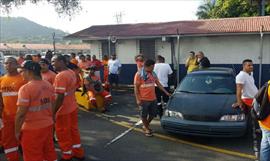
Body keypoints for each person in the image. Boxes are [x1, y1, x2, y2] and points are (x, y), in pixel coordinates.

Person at [15, 60, 57, 161]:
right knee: (49, 152)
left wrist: (16, 131)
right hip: (48, 125)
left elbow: (21, 114)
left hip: (32, 129)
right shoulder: (48, 85)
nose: (21, 74)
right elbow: (53, 105)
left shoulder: (25, 89)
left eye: (22, 71)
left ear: (29, 72)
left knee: (32, 156)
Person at [51, 55, 84, 161]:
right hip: (72, 107)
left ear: (61, 62)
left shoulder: (60, 76)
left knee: (63, 133)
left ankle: (67, 155)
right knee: (73, 130)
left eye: (54, 61)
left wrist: (53, 112)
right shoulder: (71, 72)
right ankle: (78, 153)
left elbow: (59, 96)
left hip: (63, 110)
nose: (52, 64)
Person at [134, 59, 171, 137]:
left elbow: (158, 84)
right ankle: (147, 129)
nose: (154, 68)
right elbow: (136, 88)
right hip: (143, 99)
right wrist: (138, 99)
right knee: (144, 115)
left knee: (153, 114)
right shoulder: (139, 74)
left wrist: (166, 92)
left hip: (153, 98)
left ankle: (145, 125)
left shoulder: (153, 73)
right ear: (150, 66)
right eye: (153, 66)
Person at [0, 57, 26, 161]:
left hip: (22, 117)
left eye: (11, 63)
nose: (8, 65)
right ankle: (12, 158)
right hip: (7, 117)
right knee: (9, 141)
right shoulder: (1, 80)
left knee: (25, 139)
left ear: (16, 64)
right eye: (6, 63)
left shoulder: (23, 79)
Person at [233, 59, 259, 159]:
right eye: (249, 65)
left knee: (257, 116)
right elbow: (239, 90)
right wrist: (239, 102)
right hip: (248, 100)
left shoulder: (250, 74)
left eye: (252, 65)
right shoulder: (241, 76)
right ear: (244, 66)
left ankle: (257, 128)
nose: (251, 67)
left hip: (254, 98)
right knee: (256, 116)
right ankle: (255, 130)